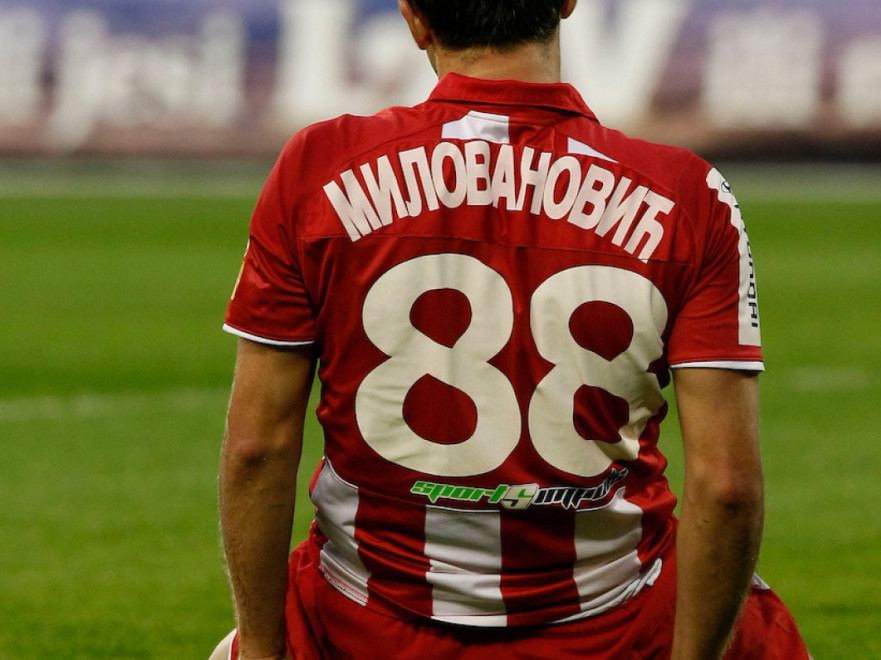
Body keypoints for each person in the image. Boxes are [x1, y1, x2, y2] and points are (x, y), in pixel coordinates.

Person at [213, 1, 812, 658]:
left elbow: (256, 448)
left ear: (414, 18)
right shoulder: (688, 196)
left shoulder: (317, 167)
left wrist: (262, 652)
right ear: (566, 2)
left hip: (365, 625)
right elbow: (727, 488)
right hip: (614, 629)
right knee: (756, 632)